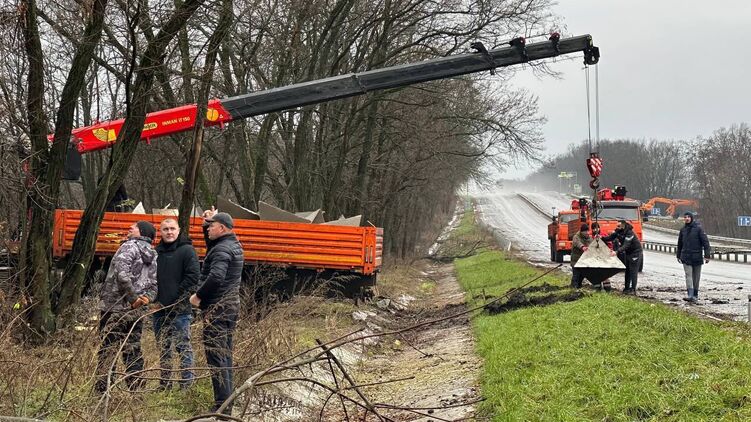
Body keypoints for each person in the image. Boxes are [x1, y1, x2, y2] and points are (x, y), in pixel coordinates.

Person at [190, 209, 244, 414]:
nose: (208, 229)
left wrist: (198, 296)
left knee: (216, 358)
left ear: (221, 228)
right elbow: (212, 242)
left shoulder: (222, 250)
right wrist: (208, 220)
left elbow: (216, 277)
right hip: (229, 308)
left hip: (218, 309)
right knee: (225, 356)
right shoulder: (232, 244)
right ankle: (226, 404)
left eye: (211, 226)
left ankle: (221, 408)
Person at [95, 221, 158, 393]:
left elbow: (121, 275)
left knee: (108, 349)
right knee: (133, 349)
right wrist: (145, 299)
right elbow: (154, 285)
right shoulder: (153, 254)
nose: (130, 228)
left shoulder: (129, 246)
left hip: (113, 307)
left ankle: (102, 392)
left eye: (134, 226)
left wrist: (133, 299)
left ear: (142, 232)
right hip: (136, 311)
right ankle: (136, 391)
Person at [153, 218, 200, 390]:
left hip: (180, 309)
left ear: (179, 230)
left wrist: (177, 298)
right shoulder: (156, 252)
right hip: (159, 309)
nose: (169, 232)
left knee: (183, 347)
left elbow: (193, 277)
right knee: (163, 347)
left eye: (172, 228)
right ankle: (165, 384)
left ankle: (186, 385)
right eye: (165, 229)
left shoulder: (187, 250)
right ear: (160, 231)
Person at [677, 212, 711, 302]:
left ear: (691, 218)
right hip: (685, 257)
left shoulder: (699, 229)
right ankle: (690, 295)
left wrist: (707, 255)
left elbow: (705, 243)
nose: (687, 218)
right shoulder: (683, 230)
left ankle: (695, 295)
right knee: (688, 276)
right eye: (685, 217)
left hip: (697, 257)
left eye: (688, 217)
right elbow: (679, 244)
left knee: (696, 277)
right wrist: (678, 255)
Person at [613, 220, 642, 294]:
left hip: (635, 253)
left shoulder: (629, 233)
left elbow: (626, 245)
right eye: (617, 226)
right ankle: (626, 288)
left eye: (619, 226)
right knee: (627, 271)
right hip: (628, 253)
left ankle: (633, 289)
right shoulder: (618, 232)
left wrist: (617, 251)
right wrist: (602, 238)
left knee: (633, 271)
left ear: (623, 226)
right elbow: (610, 237)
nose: (617, 227)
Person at [570, 223, 592, 288]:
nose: (587, 233)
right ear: (582, 231)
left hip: (583, 261)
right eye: (585, 231)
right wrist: (582, 247)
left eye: (588, 231)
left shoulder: (589, 238)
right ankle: (574, 287)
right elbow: (577, 243)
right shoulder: (576, 237)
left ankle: (578, 286)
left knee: (582, 275)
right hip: (576, 260)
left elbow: (592, 243)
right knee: (576, 275)